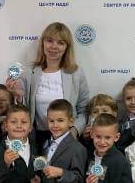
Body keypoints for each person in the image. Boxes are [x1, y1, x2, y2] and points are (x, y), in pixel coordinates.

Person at [7, 22, 89, 150]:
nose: (54, 46)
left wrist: (74, 131)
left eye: (60, 43)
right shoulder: (29, 72)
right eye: (50, 41)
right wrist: (18, 97)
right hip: (36, 137)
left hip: (66, 137)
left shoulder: (76, 73)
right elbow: (23, 112)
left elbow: (84, 110)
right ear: (43, 43)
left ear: (67, 47)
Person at [39, 99, 87, 183]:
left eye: (60, 120)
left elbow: (79, 181)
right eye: (51, 121)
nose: (55, 125)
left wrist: (61, 173)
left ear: (71, 122)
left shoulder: (77, 148)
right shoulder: (45, 143)